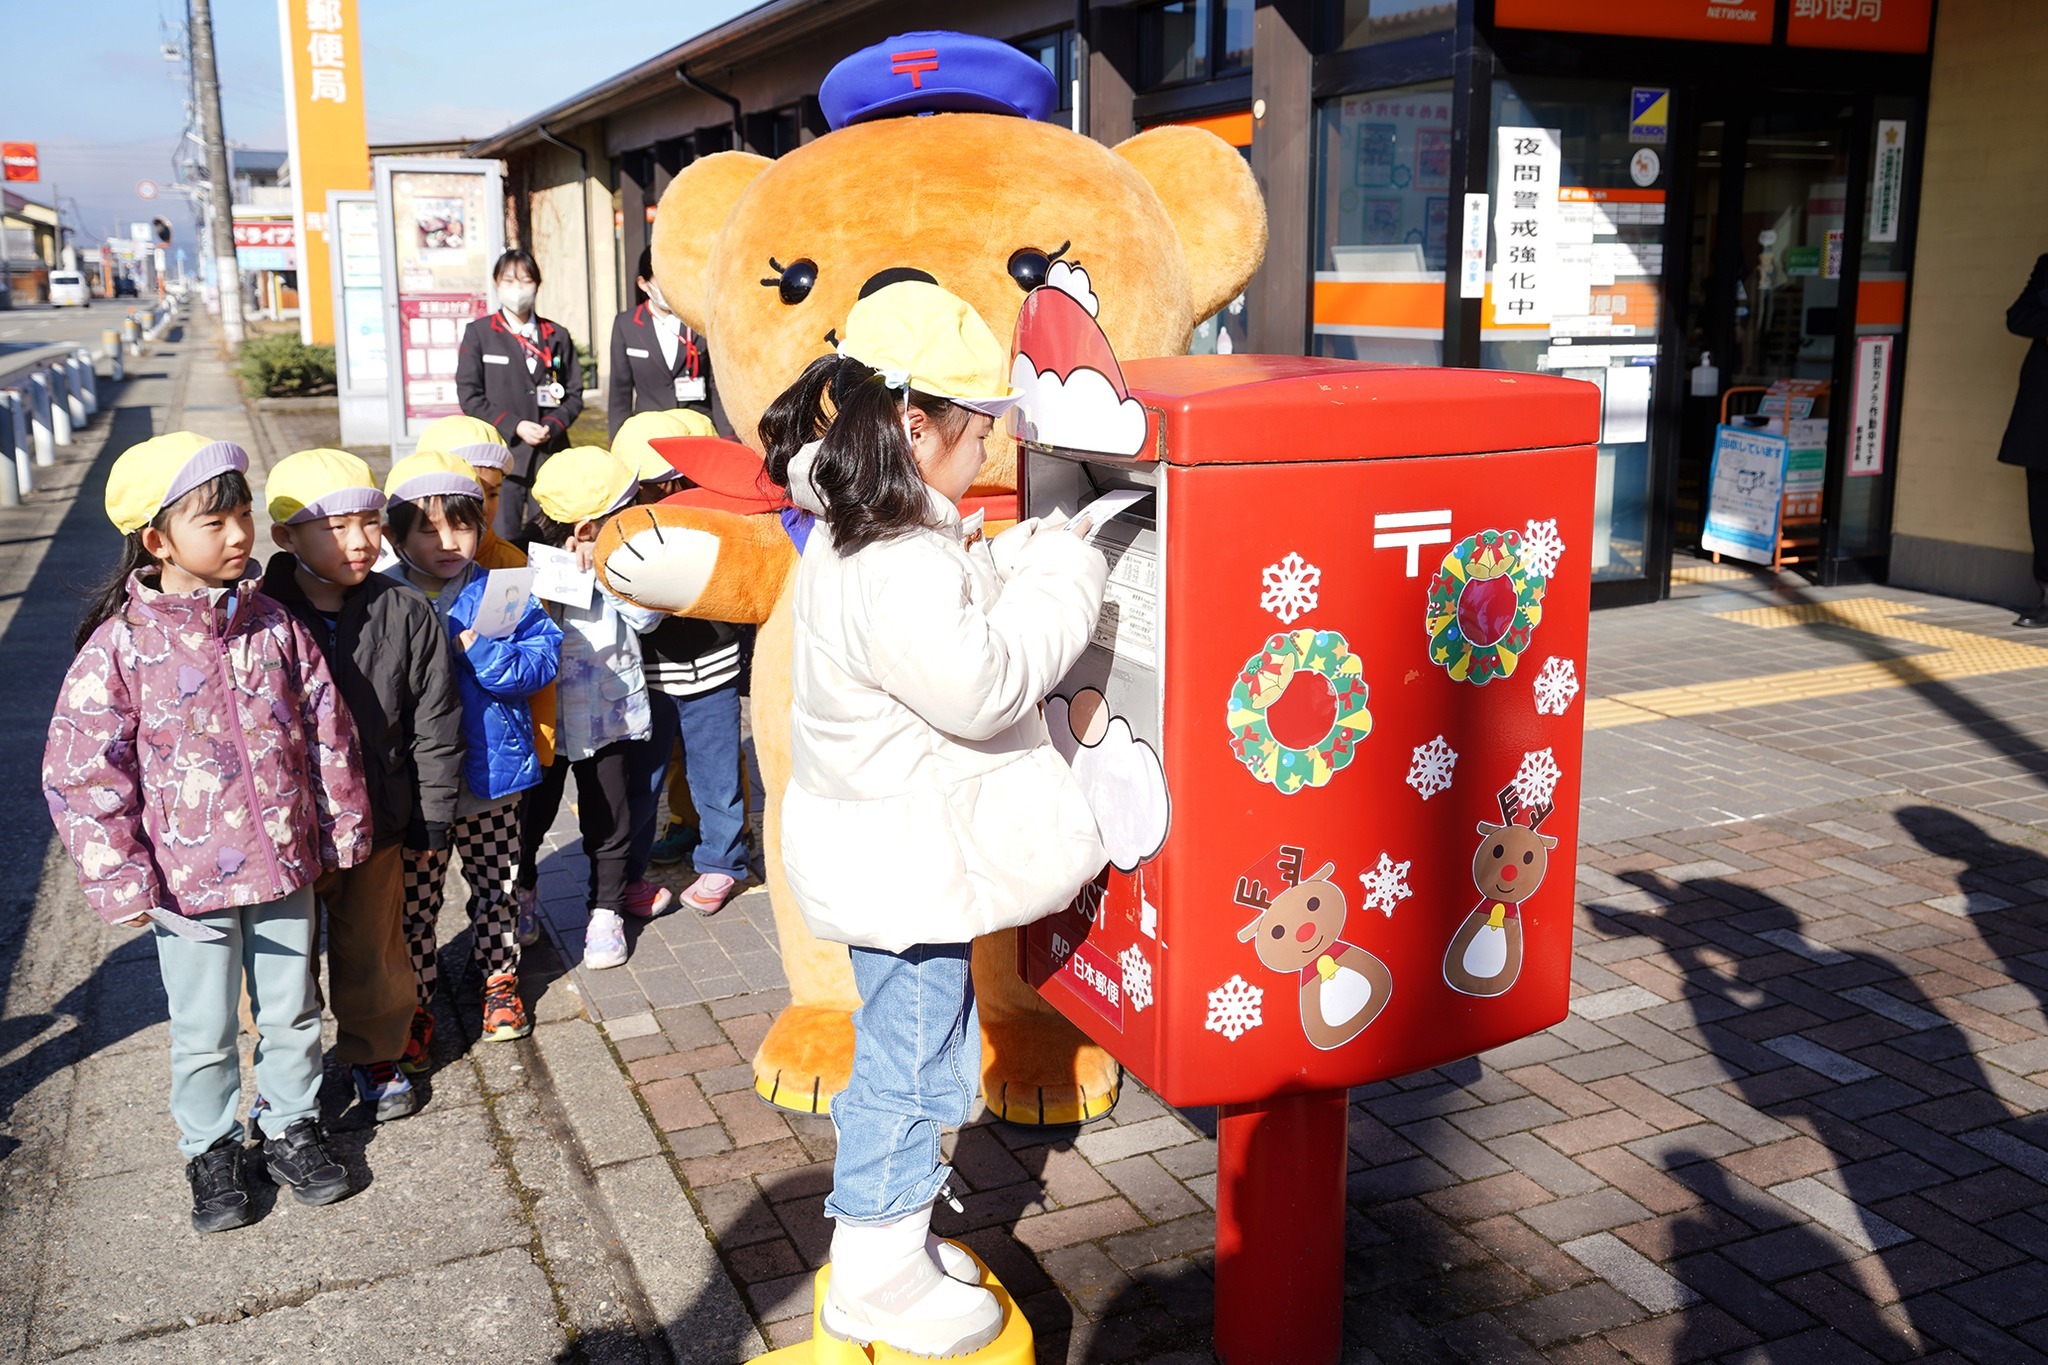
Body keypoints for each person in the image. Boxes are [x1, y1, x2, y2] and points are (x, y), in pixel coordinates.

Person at [759, 283, 1109, 1354]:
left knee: (920, 1054)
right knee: (912, 1070)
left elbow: (940, 626)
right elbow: (987, 684)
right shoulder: (894, 556)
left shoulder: (865, 530)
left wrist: (996, 557)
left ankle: (893, 1241)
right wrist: (1069, 568)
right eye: (975, 430)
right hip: (900, 865)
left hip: (886, 854)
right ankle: (875, 1270)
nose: (985, 452)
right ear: (915, 425)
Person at [44, 432, 370, 1234]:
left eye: (243, 514)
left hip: (285, 863)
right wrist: (120, 876)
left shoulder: (276, 628)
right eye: (213, 522)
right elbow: (86, 771)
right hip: (187, 886)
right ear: (156, 541)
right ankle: (213, 1143)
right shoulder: (119, 648)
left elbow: (328, 731)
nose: (238, 534)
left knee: (292, 1008)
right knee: (202, 1026)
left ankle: (293, 1123)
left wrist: (339, 829)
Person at [261, 449, 462, 1121]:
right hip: (278, 831)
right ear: (285, 536)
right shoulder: (253, 616)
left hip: (375, 818)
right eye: (335, 526)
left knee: (374, 943)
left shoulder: (402, 609)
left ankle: (376, 1049)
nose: (360, 542)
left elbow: (435, 719)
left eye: (369, 522)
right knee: (278, 957)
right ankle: (281, 1067)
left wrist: (432, 817)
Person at [383, 452, 561, 1052]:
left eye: (462, 524)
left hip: (494, 780)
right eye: (427, 529)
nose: (448, 541)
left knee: (498, 887)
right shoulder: (383, 599)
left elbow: (542, 661)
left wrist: (482, 650)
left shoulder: (500, 591)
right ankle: (415, 1003)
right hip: (418, 788)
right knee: (416, 903)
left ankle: (499, 982)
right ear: (395, 534)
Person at [518, 447, 667, 969]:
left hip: (608, 715)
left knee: (610, 815)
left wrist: (606, 574)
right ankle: (524, 892)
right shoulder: (527, 562)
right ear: (585, 527)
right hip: (544, 720)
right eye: (621, 512)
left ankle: (604, 911)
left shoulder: (623, 558)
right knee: (529, 818)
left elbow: (648, 622)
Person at [415, 413, 560, 945]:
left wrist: (539, 743)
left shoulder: (508, 565)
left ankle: (509, 946)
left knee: (507, 859)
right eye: (471, 492)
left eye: (492, 493)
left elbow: (537, 658)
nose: (483, 508)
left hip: (498, 763)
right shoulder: (394, 580)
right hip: (425, 772)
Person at [613, 409, 750, 915]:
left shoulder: (721, 517)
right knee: (642, 779)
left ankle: (722, 861)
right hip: (647, 678)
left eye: (679, 482)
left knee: (716, 774)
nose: (669, 495)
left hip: (712, 668)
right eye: (656, 485)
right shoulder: (619, 527)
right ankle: (626, 871)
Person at [455, 249, 583, 543]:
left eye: (525, 280)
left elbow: (574, 393)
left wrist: (554, 423)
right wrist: (515, 425)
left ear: (537, 284)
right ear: (497, 284)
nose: (517, 289)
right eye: (509, 280)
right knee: (503, 539)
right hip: (502, 458)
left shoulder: (557, 335)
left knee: (551, 540)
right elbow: (470, 395)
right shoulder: (480, 333)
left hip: (549, 457)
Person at [608, 246, 720, 437]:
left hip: (698, 433)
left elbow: (716, 385)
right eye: (662, 282)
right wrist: (618, 441)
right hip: (650, 435)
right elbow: (620, 392)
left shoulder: (699, 319)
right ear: (643, 284)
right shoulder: (626, 324)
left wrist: (729, 440)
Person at [1998, 252, 2048, 627]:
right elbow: (2017, 317)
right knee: (2042, 503)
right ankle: (2046, 595)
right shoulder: (2047, 264)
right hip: (2042, 410)